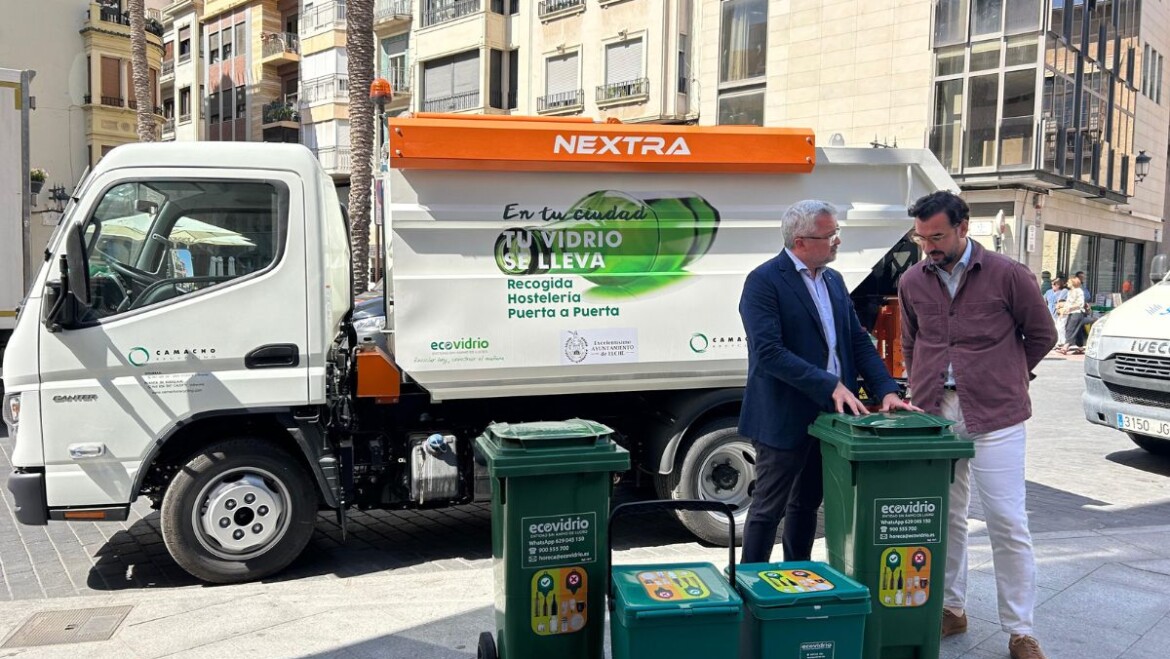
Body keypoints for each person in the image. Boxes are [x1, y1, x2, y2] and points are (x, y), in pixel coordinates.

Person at [898, 191, 1056, 659]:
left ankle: (1021, 629)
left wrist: (1007, 375)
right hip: (936, 413)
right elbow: (912, 344)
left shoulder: (1008, 275)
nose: (929, 246)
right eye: (922, 237)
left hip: (997, 412)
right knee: (945, 517)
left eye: (938, 236)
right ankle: (951, 608)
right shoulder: (912, 281)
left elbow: (1042, 335)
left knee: (1007, 520)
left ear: (964, 227)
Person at [738, 200, 919, 565]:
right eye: (831, 234)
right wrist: (828, 384)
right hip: (783, 415)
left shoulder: (833, 280)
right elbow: (769, 352)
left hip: (829, 417)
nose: (838, 240)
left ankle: (797, 577)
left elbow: (856, 342)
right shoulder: (764, 281)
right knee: (767, 509)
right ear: (801, 241)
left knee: (807, 505)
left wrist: (886, 391)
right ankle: (750, 590)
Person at [1061, 276, 1087, 354]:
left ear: (1073, 283)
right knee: (1078, 330)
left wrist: (1070, 308)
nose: (1067, 283)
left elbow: (1080, 303)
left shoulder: (1079, 291)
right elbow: (1068, 302)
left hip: (1077, 312)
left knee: (1070, 328)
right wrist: (1063, 308)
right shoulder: (1069, 292)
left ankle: (1066, 346)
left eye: (1069, 282)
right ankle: (1081, 347)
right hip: (1070, 312)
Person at [1044, 278, 1068, 348]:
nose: (1052, 286)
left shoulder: (1064, 292)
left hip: (1059, 313)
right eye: (1051, 284)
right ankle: (1056, 341)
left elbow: (1064, 302)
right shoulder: (1049, 292)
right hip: (1050, 312)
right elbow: (1044, 300)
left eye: (1054, 284)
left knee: (1059, 327)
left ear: (1058, 285)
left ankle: (1060, 341)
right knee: (1052, 328)